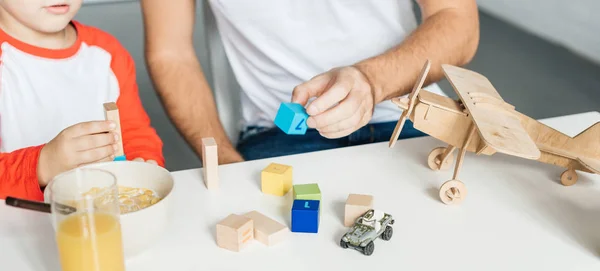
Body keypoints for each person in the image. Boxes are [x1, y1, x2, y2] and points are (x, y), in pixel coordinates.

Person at [141, 0, 478, 164]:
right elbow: (171, 54)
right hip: (281, 135)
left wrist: (371, 82)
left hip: (411, 115)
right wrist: (224, 161)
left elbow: (457, 20)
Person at [0, 0, 164, 201]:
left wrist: (143, 163)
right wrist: (42, 165)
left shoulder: (107, 53)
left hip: (100, 221)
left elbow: (133, 133)